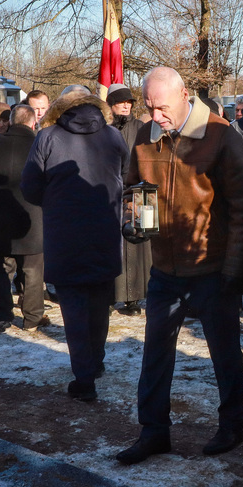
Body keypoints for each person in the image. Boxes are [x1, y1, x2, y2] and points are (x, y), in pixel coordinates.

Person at [115, 66, 243, 465]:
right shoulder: (146, 135)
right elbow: (132, 187)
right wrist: (133, 219)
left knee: (224, 352)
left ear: (183, 95)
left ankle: (232, 424)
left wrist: (233, 269)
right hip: (164, 268)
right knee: (155, 353)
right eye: (148, 107)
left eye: (161, 107)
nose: (154, 115)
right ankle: (153, 431)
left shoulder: (220, 134)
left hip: (213, 267)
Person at [20, 90, 129, 401]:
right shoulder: (113, 135)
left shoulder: (47, 137)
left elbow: (30, 186)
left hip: (65, 234)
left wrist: (56, 201)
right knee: (99, 304)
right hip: (104, 230)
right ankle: (95, 363)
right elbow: (125, 175)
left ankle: (84, 377)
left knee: (74, 310)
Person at [0, 105, 46, 332]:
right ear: (33, 123)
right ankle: (32, 318)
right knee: (33, 270)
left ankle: (2, 315)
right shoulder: (40, 145)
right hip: (33, 219)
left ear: (11, 121)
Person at [107, 84, 151, 316]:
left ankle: (132, 298)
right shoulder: (104, 129)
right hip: (109, 192)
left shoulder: (140, 128)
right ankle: (109, 295)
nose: (126, 106)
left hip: (135, 191)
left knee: (134, 245)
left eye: (129, 102)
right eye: (120, 102)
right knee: (111, 244)